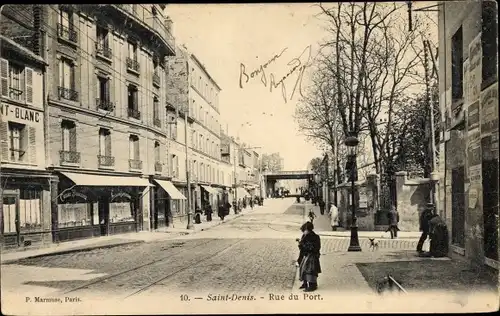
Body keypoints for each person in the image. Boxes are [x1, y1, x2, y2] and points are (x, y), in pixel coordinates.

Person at [298, 221, 321, 292]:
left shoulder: (314, 237)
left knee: (310, 270)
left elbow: (315, 247)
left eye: (305, 230)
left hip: (312, 256)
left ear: (308, 229)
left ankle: (312, 285)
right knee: (303, 269)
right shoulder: (305, 236)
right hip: (305, 255)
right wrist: (300, 244)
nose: (304, 232)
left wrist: (303, 245)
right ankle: (305, 283)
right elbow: (302, 246)